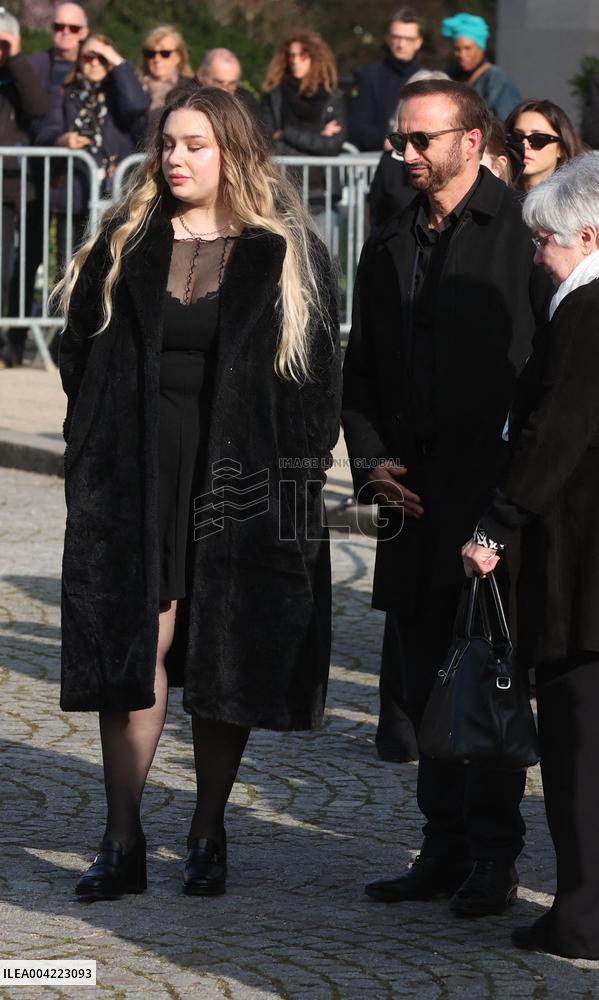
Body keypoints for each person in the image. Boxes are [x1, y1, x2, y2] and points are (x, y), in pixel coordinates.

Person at [55, 84, 341, 901]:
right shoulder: (127, 238)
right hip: (136, 472)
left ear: (233, 153)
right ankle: (121, 837)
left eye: (195, 145)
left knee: (222, 650)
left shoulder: (281, 250)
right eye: (168, 144)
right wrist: (92, 446)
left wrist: (296, 484)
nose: (175, 159)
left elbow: (316, 382)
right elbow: (78, 350)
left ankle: (207, 830)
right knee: (133, 652)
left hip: (238, 478)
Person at [342, 80, 552, 916]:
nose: (407, 154)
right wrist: (370, 459)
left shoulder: (524, 234)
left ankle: (494, 858)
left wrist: (511, 500)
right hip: (412, 501)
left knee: (487, 673)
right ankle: (440, 847)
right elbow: (361, 369)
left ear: (472, 139)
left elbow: (546, 376)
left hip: (492, 500)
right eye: (401, 140)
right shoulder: (390, 236)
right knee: (424, 674)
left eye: (423, 140)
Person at [462, 151, 599, 960]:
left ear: (584, 236)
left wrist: (493, 525)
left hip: (583, 564)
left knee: (581, 748)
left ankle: (582, 915)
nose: (536, 257)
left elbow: (553, 436)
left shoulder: (584, 310)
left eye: (545, 241)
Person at [2, 3, 89, 366]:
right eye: (58, 26)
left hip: (77, 183)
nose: (64, 33)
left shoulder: (92, 64)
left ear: (84, 32)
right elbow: (37, 116)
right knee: (27, 261)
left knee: (73, 263)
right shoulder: (34, 63)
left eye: (72, 28)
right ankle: (15, 342)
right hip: (36, 180)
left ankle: (64, 344)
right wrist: (56, 141)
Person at [36, 33, 149, 270]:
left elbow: (138, 105)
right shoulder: (64, 93)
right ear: (79, 60)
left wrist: (115, 59)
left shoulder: (120, 93)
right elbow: (45, 133)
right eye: (89, 57)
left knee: (111, 268)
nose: (95, 63)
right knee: (69, 269)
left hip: (115, 196)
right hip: (74, 196)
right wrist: (63, 140)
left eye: (102, 58)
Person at [0, 8, 51, 367]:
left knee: (8, 266)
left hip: (12, 185)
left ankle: (9, 344)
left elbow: (38, 107)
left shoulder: (23, 70)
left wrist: (14, 57)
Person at [259, 30, 346, 228]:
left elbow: (333, 146)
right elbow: (269, 144)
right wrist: (318, 136)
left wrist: (287, 133)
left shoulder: (333, 98)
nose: (295, 60)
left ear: (315, 58)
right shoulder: (274, 97)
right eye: (291, 55)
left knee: (325, 257)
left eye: (302, 55)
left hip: (322, 196)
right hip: (283, 194)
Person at [349, 6, 424, 151]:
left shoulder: (428, 80)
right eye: (397, 37)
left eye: (408, 39)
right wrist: (391, 143)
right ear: (388, 38)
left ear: (418, 42)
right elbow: (356, 128)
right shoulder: (367, 76)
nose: (401, 44)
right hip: (377, 162)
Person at [442, 13, 520, 122]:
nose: (462, 54)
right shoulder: (449, 75)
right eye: (457, 49)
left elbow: (505, 122)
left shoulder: (496, 78)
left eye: (468, 48)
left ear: (481, 48)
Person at [504, 99, 583, 192]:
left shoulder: (581, 196)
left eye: (538, 139)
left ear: (561, 149)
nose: (524, 145)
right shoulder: (497, 192)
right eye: (516, 137)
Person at [139, 24, 192, 132]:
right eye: (151, 54)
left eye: (165, 53)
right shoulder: (135, 87)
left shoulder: (191, 89)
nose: (157, 59)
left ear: (178, 57)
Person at [196, 47, 257, 115]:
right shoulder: (186, 99)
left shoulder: (246, 102)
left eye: (231, 84)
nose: (224, 90)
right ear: (201, 75)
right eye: (218, 83)